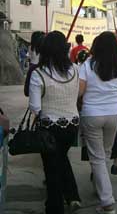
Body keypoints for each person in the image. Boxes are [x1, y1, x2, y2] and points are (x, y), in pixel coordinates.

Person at [78, 31, 117, 214]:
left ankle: (107, 201)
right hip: (113, 115)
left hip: (91, 115)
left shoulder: (87, 65)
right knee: (104, 155)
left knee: (96, 158)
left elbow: (80, 92)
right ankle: (101, 191)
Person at [29, 31, 81, 214]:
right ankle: (73, 196)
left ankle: (55, 208)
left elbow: (35, 107)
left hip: (50, 129)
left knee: (52, 170)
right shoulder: (75, 70)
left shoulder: (38, 74)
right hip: (73, 126)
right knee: (61, 160)